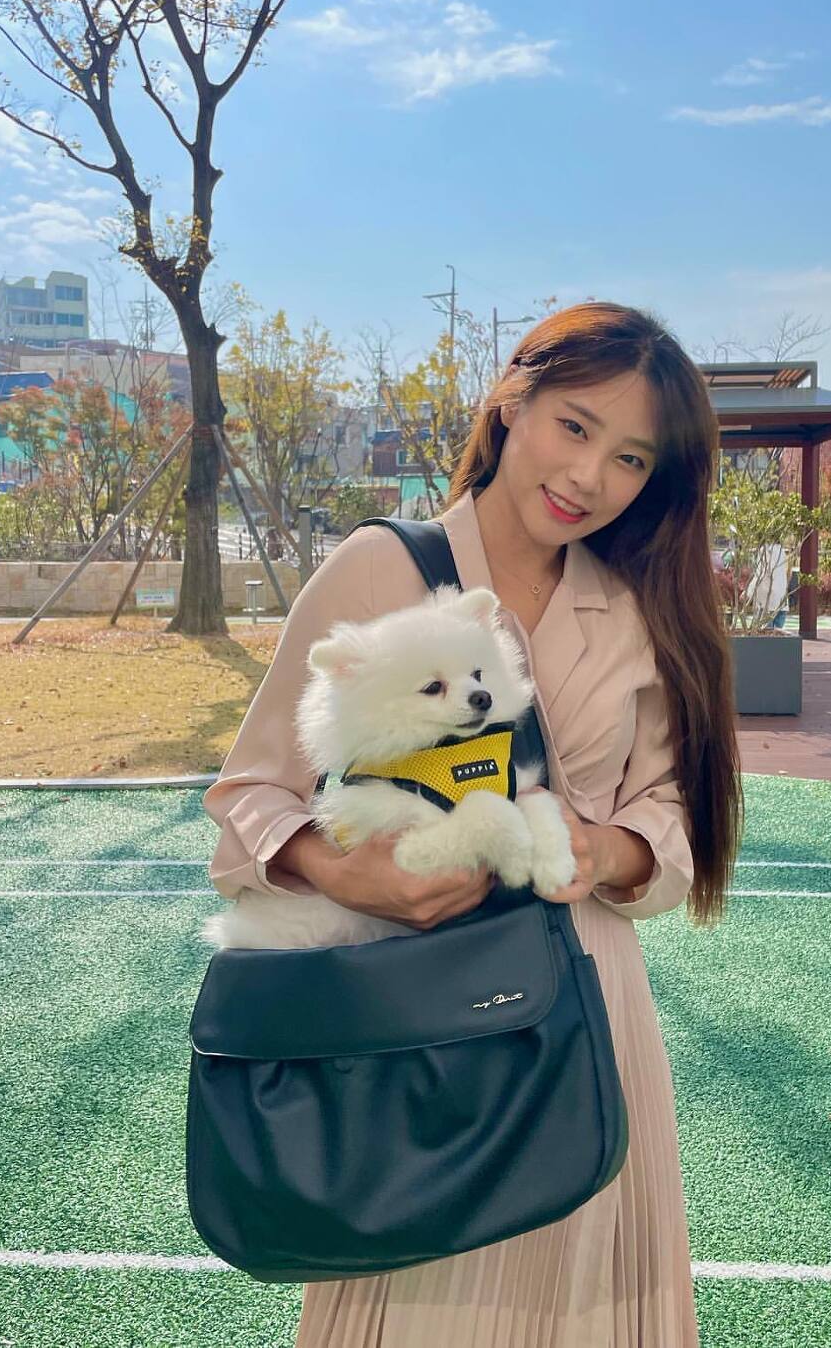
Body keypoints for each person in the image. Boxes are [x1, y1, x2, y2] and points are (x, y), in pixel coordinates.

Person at [203, 302, 742, 1347]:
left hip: (581, 1002)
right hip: (402, 1017)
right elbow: (251, 792)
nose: (588, 477)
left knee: (587, 1299)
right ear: (510, 401)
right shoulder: (381, 568)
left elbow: (672, 808)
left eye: (630, 459)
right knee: (420, 1296)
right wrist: (340, 871)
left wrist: (603, 848)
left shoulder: (636, 607)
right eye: (574, 426)